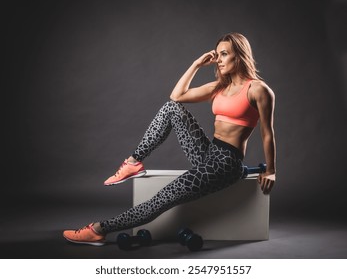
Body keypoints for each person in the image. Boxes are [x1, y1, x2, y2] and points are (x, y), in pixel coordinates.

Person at [63, 32, 276, 246]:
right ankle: (133, 162)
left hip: (226, 163)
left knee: (163, 197)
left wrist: (271, 171)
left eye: (224, 54)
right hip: (209, 152)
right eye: (218, 54)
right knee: (171, 108)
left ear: (239, 56)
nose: (218, 60)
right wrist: (195, 65)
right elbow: (177, 96)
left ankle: (98, 230)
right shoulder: (219, 87)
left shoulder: (258, 90)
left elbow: (267, 133)